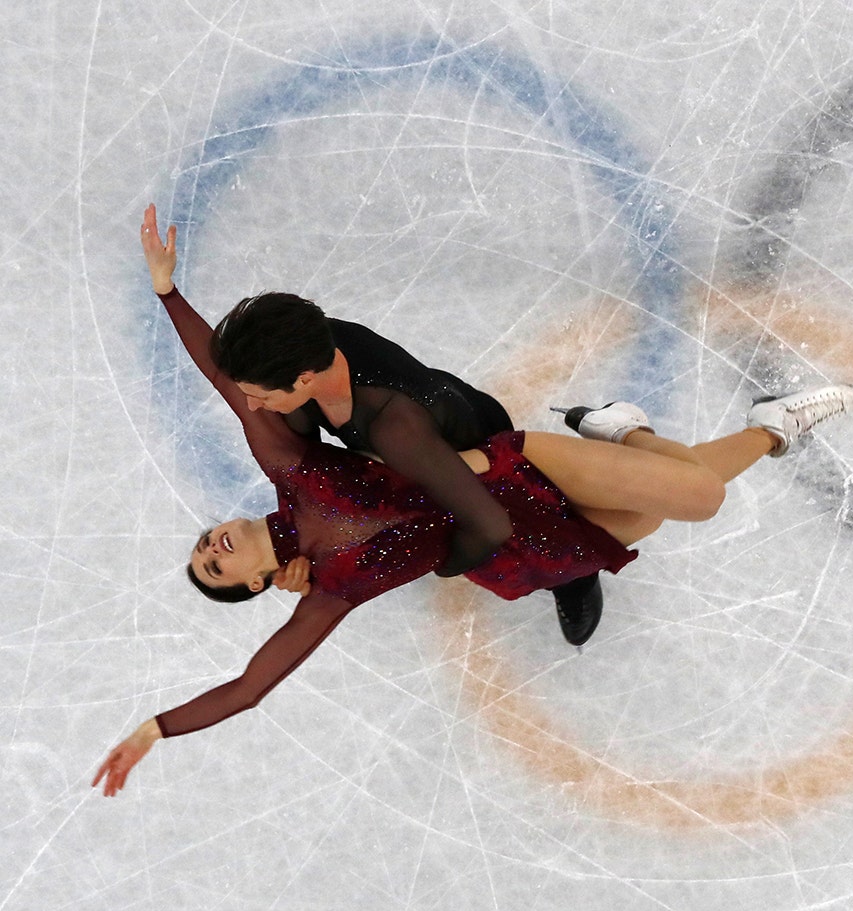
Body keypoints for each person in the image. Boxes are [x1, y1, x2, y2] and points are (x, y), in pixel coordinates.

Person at [91, 210, 853, 797]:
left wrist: (451, 554)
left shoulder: (322, 453)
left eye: (203, 543)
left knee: (697, 498)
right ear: (255, 586)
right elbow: (256, 682)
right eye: (215, 569)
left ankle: (736, 427)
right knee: (648, 517)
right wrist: (156, 729)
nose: (212, 547)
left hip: (495, 470)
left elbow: (232, 388)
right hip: (496, 541)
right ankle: (652, 433)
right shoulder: (323, 575)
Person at [136, 205, 606, 647]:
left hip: (468, 445)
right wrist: (294, 547)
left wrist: (442, 563)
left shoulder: (395, 424)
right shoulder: (299, 359)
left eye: (259, 392)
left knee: (531, 540)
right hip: (412, 450)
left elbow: (485, 527)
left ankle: (577, 573)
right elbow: (244, 398)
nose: (251, 405)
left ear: (300, 379)